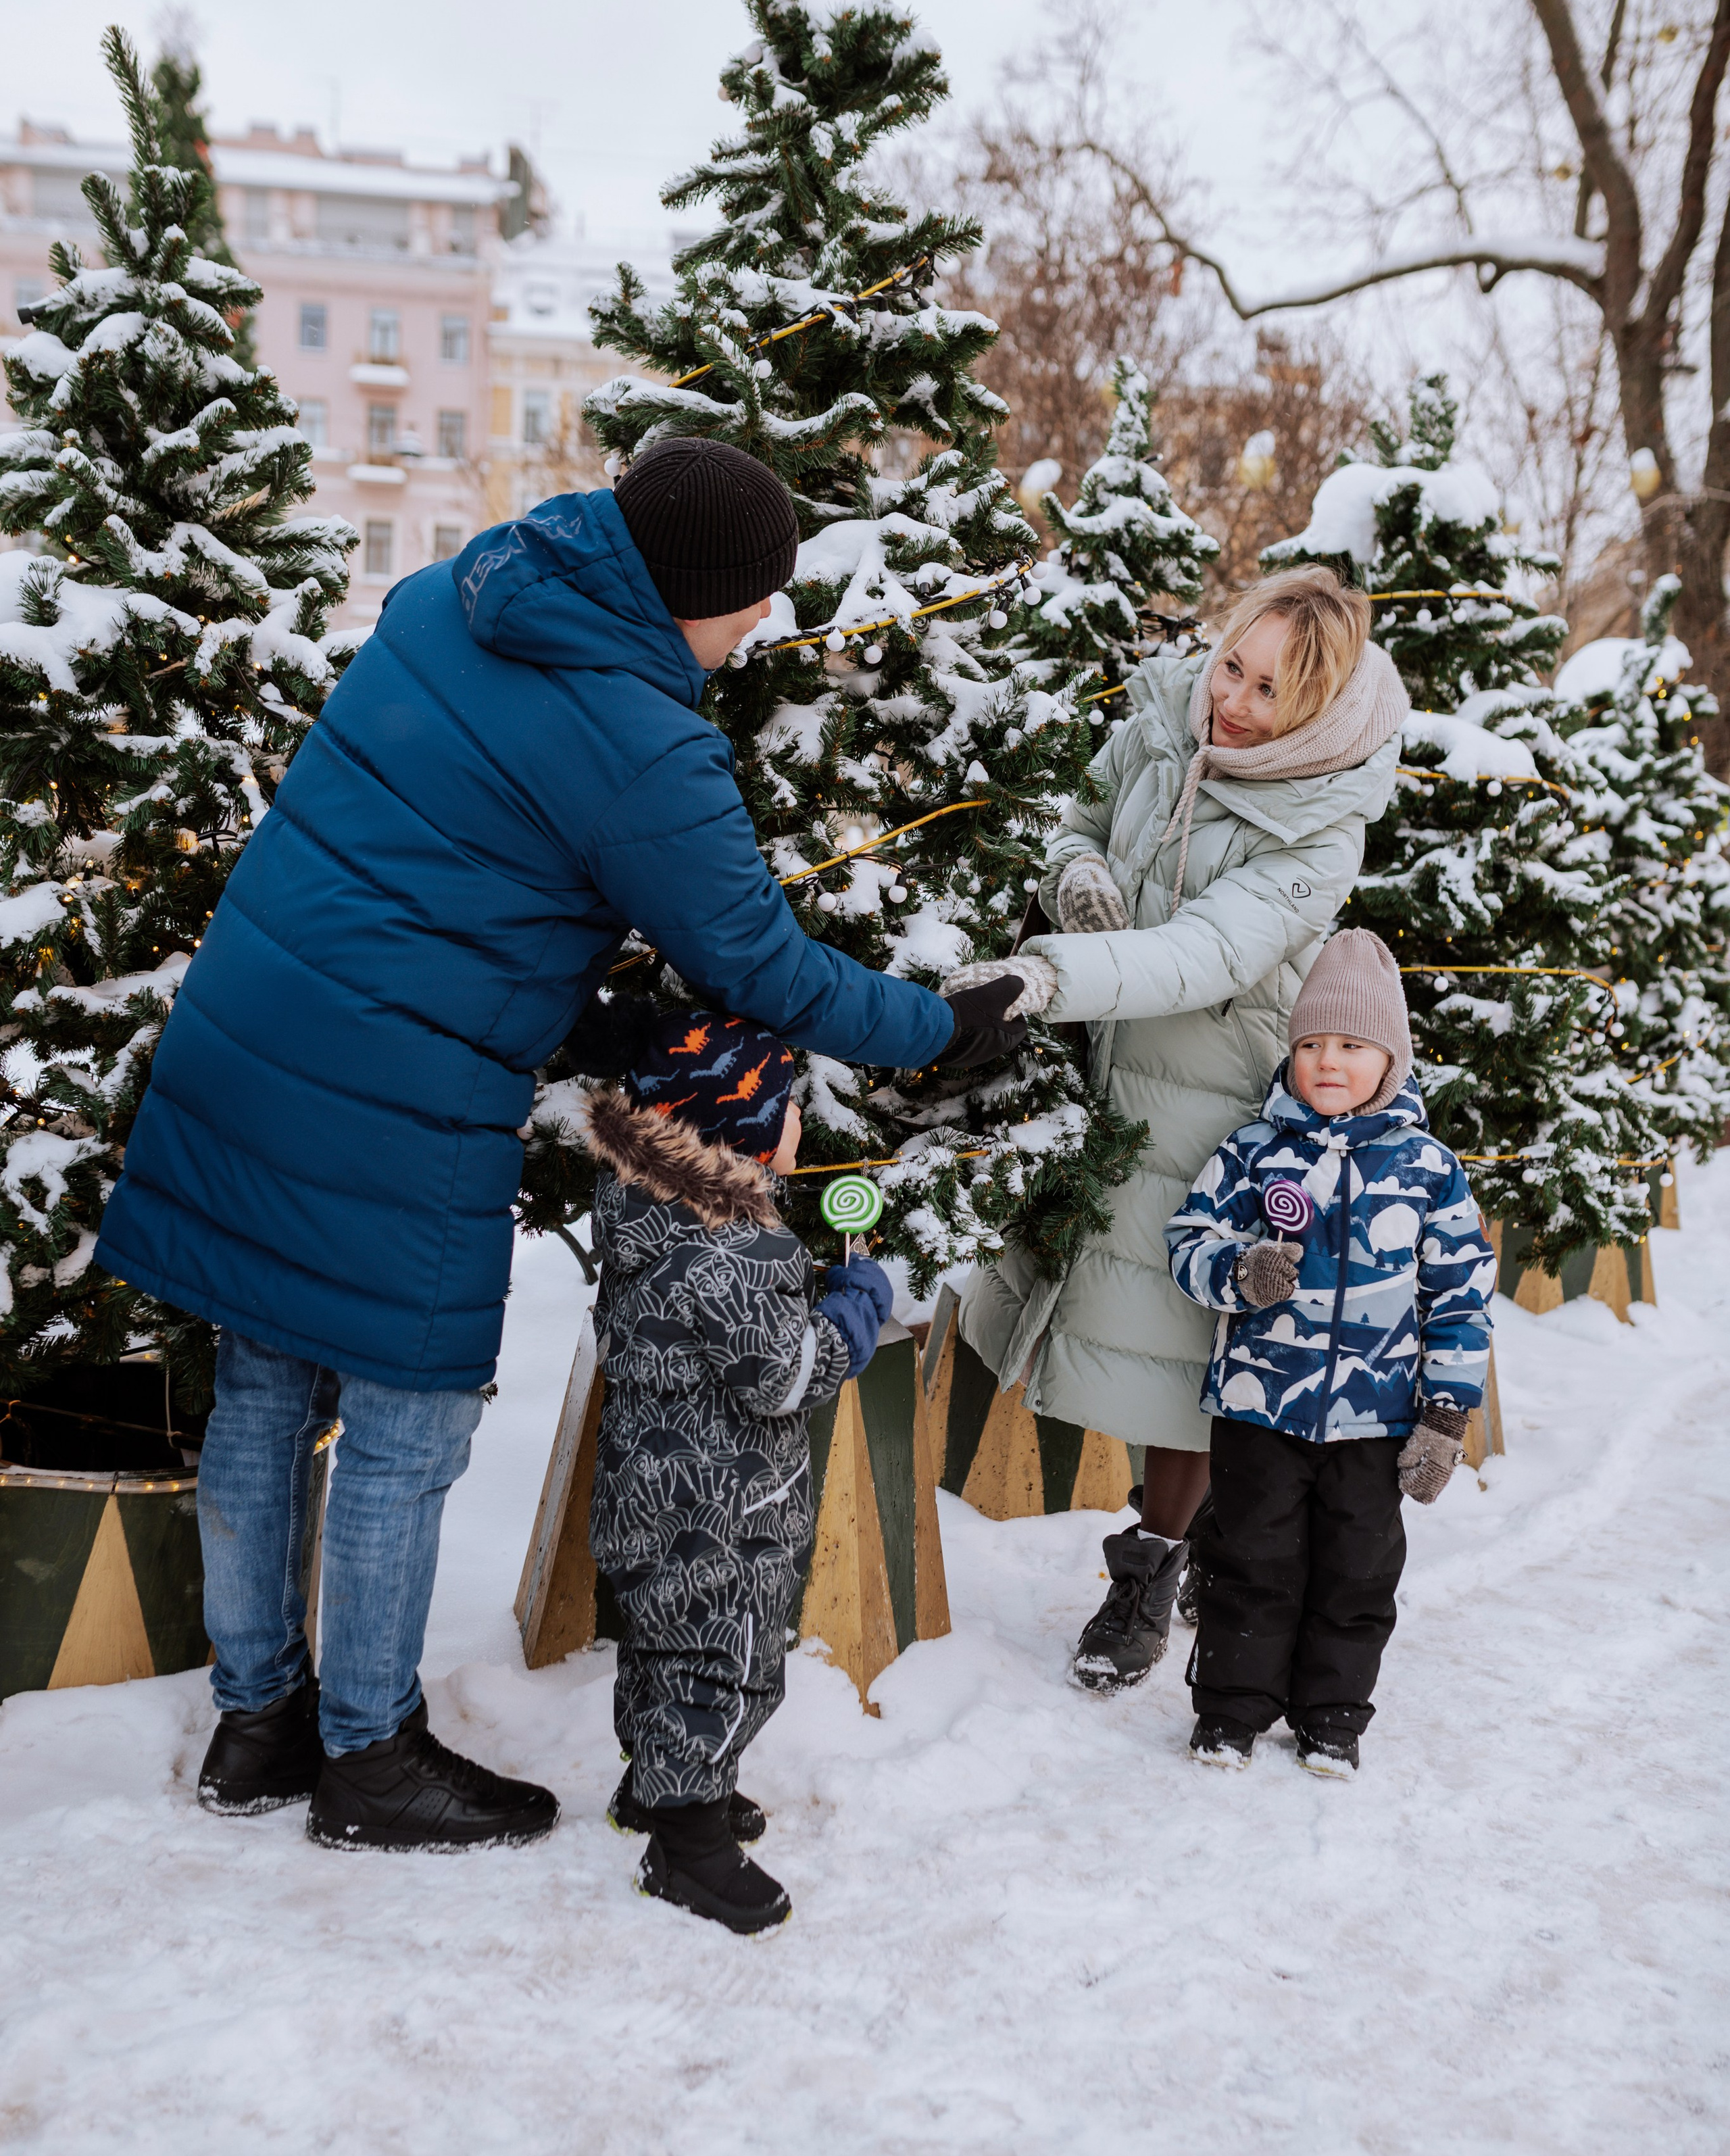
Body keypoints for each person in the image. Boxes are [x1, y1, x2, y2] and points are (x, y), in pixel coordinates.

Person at [95, 440, 1023, 1851]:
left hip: (252, 1019)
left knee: (268, 1382)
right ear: (689, 592)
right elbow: (761, 966)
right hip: (396, 1086)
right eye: (754, 598)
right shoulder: (641, 744)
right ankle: (367, 1758)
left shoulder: (449, 596)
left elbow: (420, 846)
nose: (765, 623)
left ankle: (255, 1721)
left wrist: (578, 997)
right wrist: (936, 1027)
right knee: (408, 1421)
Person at [947, 564, 1410, 1692]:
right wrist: (1077, 875)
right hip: (1102, 1061)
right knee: (1068, 1298)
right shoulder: (1165, 715)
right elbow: (1075, 811)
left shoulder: (1315, 833)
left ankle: (1152, 1568)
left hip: (1209, 1090)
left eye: (1270, 697)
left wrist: (1047, 975)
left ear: (1317, 717)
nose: (1235, 705)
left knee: (1176, 1346)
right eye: (1233, 669)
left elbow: (1208, 955)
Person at [576, 1005, 891, 1934]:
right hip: (726, 1506)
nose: (802, 1123)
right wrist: (854, 1313)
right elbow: (783, 1378)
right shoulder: (738, 1247)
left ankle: (660, 1786)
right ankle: (689, 1846)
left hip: (645, 1488)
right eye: (789, 1107)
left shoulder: (647, 1214)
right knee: (726, 1660)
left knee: (659, 1643)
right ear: (741, 1124)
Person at [1163, 930, 1495, 1773]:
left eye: (1351, 1045)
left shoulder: (1429, 1170)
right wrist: (1239, 1271)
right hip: (1259, 1406)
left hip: (1376, 1420)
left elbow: (1460, 1297)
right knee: (1250, 1560)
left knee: (1357, 1573)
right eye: (1311, 1044)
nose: (1327, 1062)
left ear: (1390, 1059)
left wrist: (1445, 1416)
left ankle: (1333, 1716)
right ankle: (1231, 1711)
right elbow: (1187, 1238)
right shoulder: (1252, 1152)